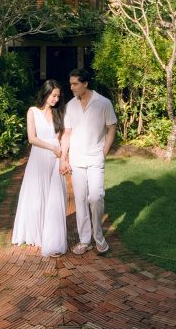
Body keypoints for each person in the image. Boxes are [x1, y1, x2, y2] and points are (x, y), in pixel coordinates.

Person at [60, 68, 117, 256]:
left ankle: (99, 238)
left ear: (85, 83)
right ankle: (85, 240)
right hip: (76, 159)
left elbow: (111, 128)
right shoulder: (70, 106)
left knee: (96, 197)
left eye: (75, 83)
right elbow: (67, 134)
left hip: (95, 158)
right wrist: (64, 158)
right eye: (70, 84)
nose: (71, 87)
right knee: (81, 200)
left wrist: (105, 151)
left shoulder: (103, 103)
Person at [12, 79, 68, 257]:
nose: (56, 99)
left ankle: (50, 235)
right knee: (36, 197)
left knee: (53, 197)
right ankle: (34, 233)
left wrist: (63, 158)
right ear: (45, 93)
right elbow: (32, 138)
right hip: (39, 157)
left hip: (55, 158)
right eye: (53, 95)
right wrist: (52, 147)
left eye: (58, 96)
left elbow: (62, 138)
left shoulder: (59, 113)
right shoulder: (33, 112)